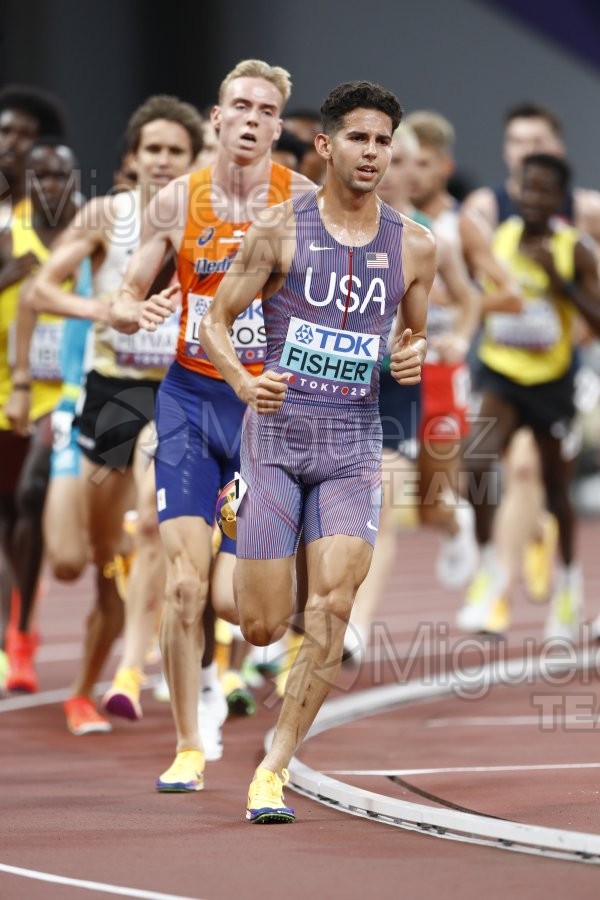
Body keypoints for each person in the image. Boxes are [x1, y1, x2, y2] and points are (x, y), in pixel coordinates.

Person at [196, 79, 436, 823]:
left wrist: (409, 355)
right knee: (264, 627)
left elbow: (413, 336)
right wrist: (242, 378)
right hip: (273, 436)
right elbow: (216, 317)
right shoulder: (280, 228)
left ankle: (274, 765)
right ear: (327, 145)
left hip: (351, 443)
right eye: (359, 138)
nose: (372, 153)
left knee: (331, 607)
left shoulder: (415, 245)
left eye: (383, 141)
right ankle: (229, 531)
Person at [110, 59, 314, 791]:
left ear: (278, 128)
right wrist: (136, 309)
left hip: (266, 412)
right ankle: (188, 743)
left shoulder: (305, 203)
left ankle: (242, 641)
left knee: (256, 621)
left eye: (267, 109)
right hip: (191, 403)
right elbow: (126, 298)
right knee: (184, 587)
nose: (253, 117)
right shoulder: (176, 201)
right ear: (217, 118)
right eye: (240, 105)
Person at [20, 96, 203, 734]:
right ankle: (125, 569)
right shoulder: (106, 215)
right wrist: (107, 311)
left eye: (175, 151)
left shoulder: (211, 223)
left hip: (176, 391)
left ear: (194, 159)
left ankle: (119, 674)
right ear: (132, 157)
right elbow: (41, 289)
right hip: (108, 395)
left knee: (150, 517)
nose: (162, 160)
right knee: (77, 559)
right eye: (151, 149)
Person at [459, 153, 600, 640]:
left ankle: (566, 583)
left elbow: (598, 322)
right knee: (475, 464)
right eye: (527, 188)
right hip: (502, 374)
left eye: (545, 191)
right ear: (514, 189)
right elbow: (468, 294)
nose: (534, 198)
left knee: (557, 491)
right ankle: (489, 571)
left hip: (553, 383)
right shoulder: (495, 241)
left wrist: (559, 285)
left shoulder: (574, 247)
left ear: (561, 197)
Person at [1, 139, 79, 692]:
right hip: (9, 390)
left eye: (62, 177)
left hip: (66, 394)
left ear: (77, 180)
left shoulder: (93, 235)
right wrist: (10, 272)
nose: (51, 185)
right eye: (42, 177)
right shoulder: (9, 236)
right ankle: (18, 634)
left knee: (31, 494)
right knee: (10, 519)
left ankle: (21, 631)